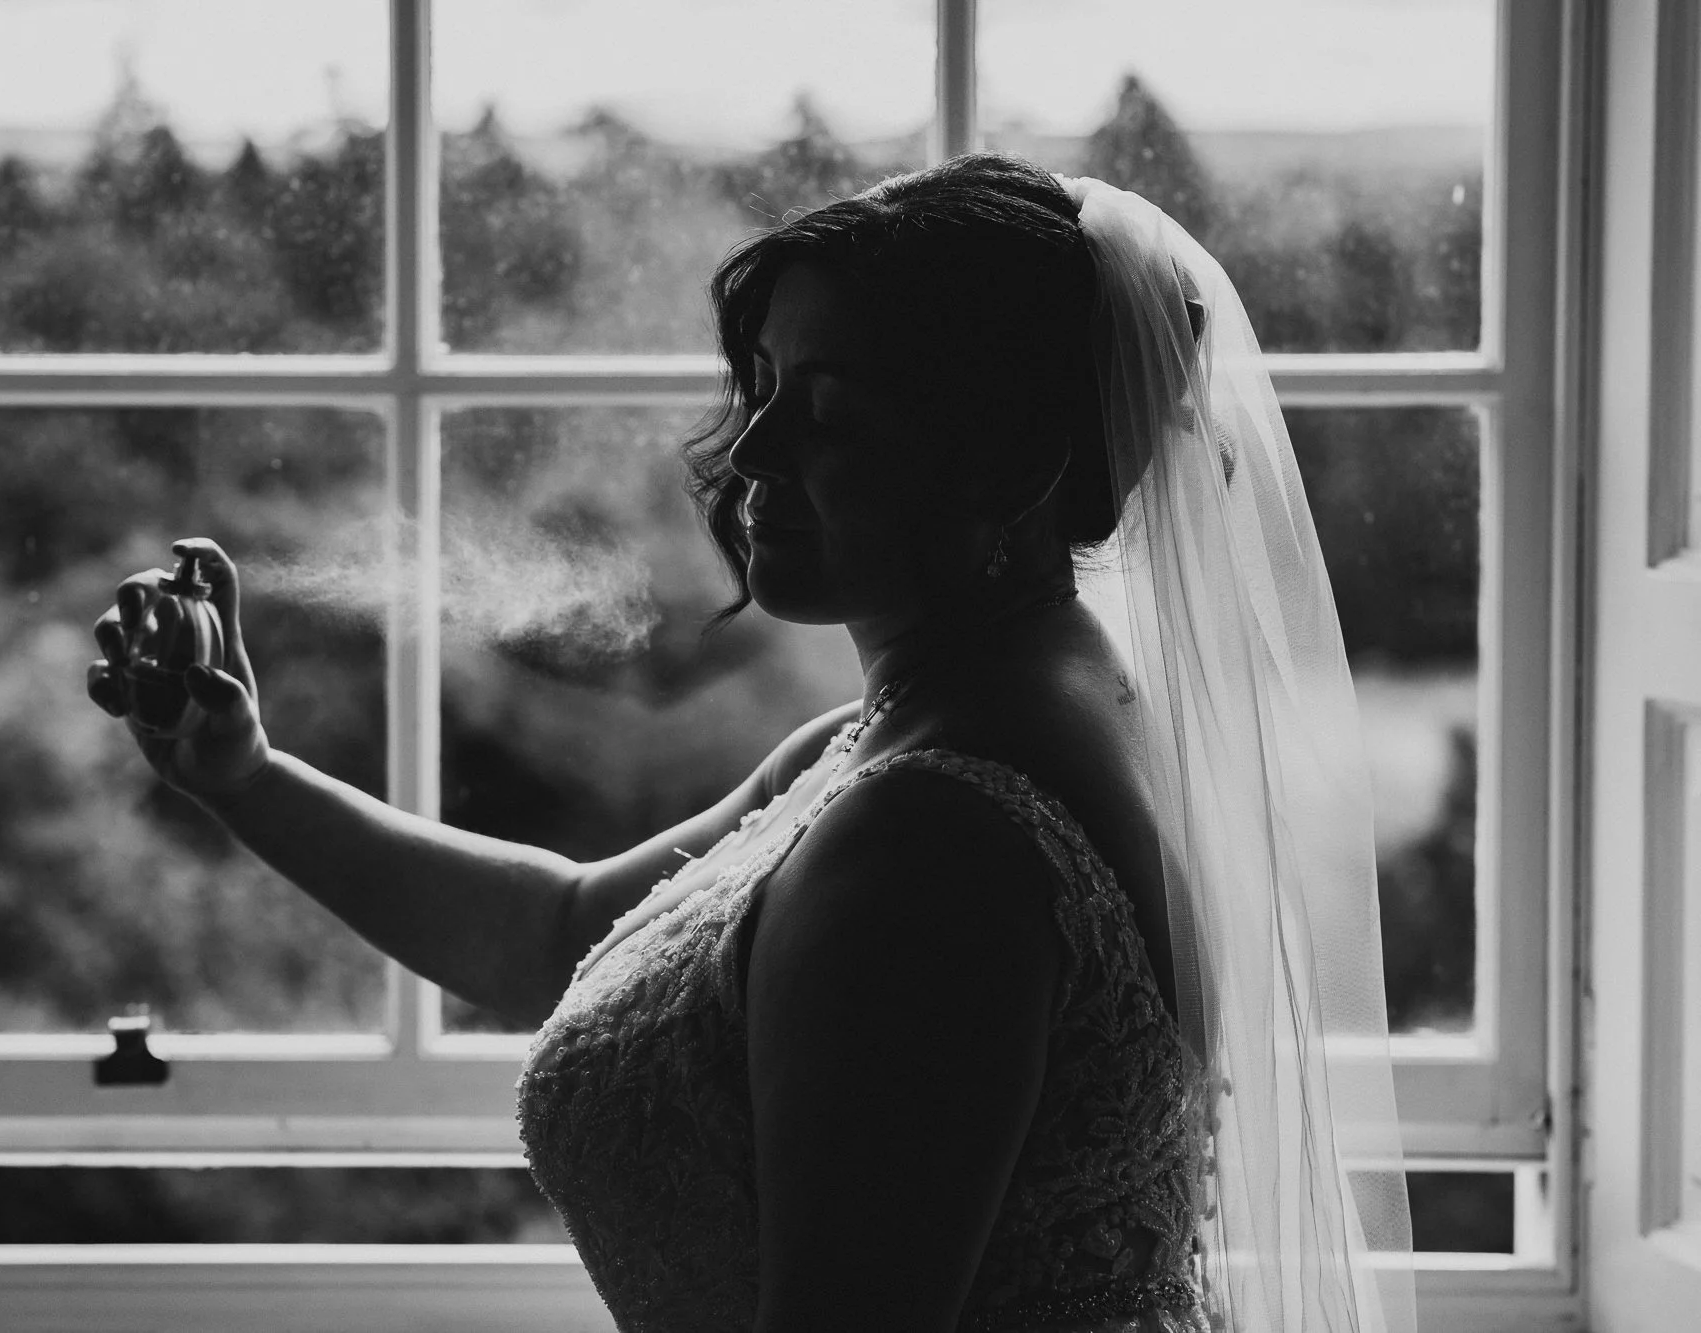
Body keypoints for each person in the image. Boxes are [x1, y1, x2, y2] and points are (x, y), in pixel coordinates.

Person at [88, 153, 1414, 1333]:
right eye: (766, 382)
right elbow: (564, 936)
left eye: (830, 406)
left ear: (1005, 461)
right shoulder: (919, 736)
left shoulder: (937, 842)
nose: (753, 448)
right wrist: (246, 779)